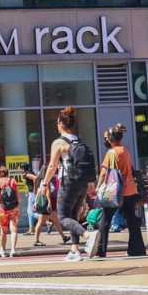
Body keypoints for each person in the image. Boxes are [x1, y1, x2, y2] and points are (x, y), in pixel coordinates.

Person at [39, 106, 97, 262]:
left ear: (61, 124)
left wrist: (44, 184)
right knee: (73, 216)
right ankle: (74, 250)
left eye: (57, 122)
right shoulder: (78, 140)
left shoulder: (58, 142)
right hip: (82, 183)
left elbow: (52, 166)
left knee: (63, 217)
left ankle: (88, 235)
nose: (57, 124)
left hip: (68, 182)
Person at [93, 124, 146, 258]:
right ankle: (137, 248)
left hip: (114, 191)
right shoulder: (126, 151)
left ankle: (101, 249)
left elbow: (104, 173)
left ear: (110, 139)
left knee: (105, 220)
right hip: (130, 190)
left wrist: (98, 188)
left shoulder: (111, 153)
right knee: (132, 221)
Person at [0, 166, 20, 257]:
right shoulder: (12, 181)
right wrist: (17, 205)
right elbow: (17, 195)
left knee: (3, 231)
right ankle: (13, 250)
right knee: (14, 229)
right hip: (14, 208)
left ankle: (3, 250)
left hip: (2, 208)